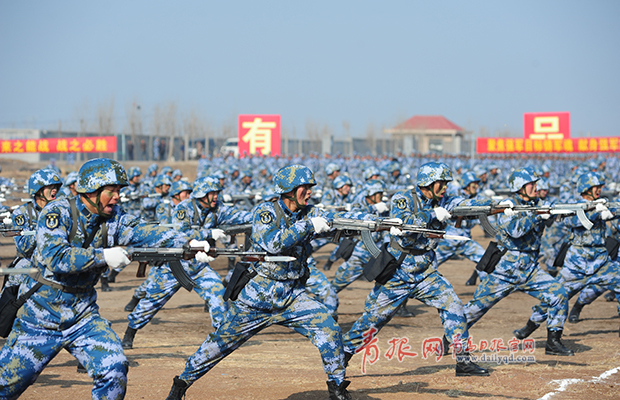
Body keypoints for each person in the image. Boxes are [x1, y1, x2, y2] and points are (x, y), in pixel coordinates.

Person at [0, 158, 196, 400]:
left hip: (82, 316)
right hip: (40, 317)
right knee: (5, 386)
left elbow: (145, 231)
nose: (117, 197)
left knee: (114, 369)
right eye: (111, 191)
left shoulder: (114, 217)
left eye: (119, 191)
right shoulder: (57, 212)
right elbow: (56, 257)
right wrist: (104, 256)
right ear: (91, 190)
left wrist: (189, 242)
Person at [164, 165, 356, 400]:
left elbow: (339, 220)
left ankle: (337, 388)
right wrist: (308, 225)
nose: (309, 192)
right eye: (304, 187)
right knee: (218, 345)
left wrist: (377, 221)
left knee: (329, 330)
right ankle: (182, 383)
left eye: (310, 187)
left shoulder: (309, 212)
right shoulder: (266, 212)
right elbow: (274, 243)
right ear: (289, 190)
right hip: (257, 299)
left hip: (292, 296)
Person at [342, 162, 489, 377]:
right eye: (441, 183)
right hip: (399, 272)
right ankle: (342, 355)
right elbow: (404, 223)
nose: (445, 187)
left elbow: (467, 204)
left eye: (446, 183)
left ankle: (463, 360)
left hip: (425, 272)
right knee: (373, 320)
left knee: (453, 305)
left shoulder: (444, 200)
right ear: (428, 183)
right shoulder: (404, 199)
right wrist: (432, 214)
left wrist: (497, 205)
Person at [121, 176, 251, 349]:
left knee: (218, 294)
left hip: (199, 267)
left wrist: (264, 214)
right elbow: (179, 233)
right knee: (151, 303)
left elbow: (240, 216)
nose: (215, 197)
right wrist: (209, 233)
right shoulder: (184, 208)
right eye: (212, 193)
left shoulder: (217, 209)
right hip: (173, 266)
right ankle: (130, 332)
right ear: (202, 194)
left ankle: (221, 336)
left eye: (216, 193)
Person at [463, 167, 573, 356]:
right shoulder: (507, 206)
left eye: (536, 184)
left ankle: (553, 343)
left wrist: (578, 209)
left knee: (559, 295)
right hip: (504, 271)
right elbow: (515, 231)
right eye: (531, 184)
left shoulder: (538, 203)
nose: (536, 187)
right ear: (520, 187)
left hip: (530, 270)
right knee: (475, 310)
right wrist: (537, 215)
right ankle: (449, 338)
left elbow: (557, 211)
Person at [514, 171, 620, 336]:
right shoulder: (574, 206)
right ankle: (530, 325)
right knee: (555, 296)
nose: (599, 190)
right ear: (586, 189)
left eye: (600, 187)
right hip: (576, 265)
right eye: (596, 187)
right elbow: (573, 221)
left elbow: (615, 208)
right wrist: (596, 212)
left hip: (600, 262)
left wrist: (610, 209)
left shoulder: (601, 204)